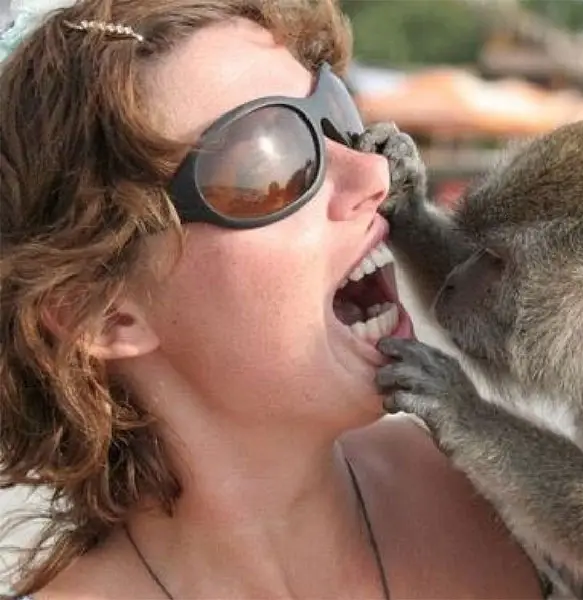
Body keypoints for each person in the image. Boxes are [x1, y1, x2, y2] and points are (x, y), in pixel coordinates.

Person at [0, 0, 545, 598]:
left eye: (337, 113)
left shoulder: (512, 493)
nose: (376, 174)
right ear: (101, 313)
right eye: (270, 159)